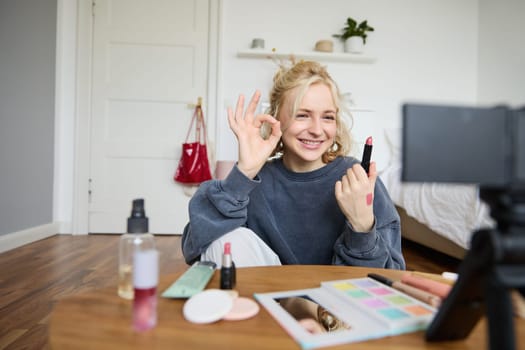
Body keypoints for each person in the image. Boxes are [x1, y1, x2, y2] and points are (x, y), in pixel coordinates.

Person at [181, 60, 405, 269]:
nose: (317, 130)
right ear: (277, 117)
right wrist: (244, 173)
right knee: (228, 240)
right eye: (302, 115)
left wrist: (363, 226)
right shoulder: (256, 181)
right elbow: (196, 245)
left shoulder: (358, 181)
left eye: (328, 117)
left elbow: (391, 274)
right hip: (272, 297)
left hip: (337, 301)